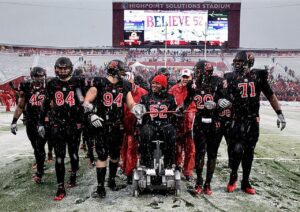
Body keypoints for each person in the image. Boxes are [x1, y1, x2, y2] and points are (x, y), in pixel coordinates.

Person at [224, 51, 286, 195]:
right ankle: (233, 177)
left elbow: (270, 95)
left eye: (239, 62)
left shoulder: (258, 76)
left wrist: (280, 113)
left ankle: (245, 182)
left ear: (248, 63)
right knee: (237, 150)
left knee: (249, 152)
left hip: (252, 120)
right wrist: (223, 101)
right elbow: (223, 95)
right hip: (237, 119)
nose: (236, 64)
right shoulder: (231, 77)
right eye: (236, 62)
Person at [83, 59, 136, 198]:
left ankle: (111, 181)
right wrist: (91, 114)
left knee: (114, 155)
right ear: (113, 70)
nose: (123, 73)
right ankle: (100, 187)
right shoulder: (99, 82)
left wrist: (137, 108)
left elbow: (131, 103)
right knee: (102, 155)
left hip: (117, 126)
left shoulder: (125, 85)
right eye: (120, 70)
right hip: (102, 125)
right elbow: (86, 102)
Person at [38, 57, 83, 201]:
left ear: (70, 68)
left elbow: (84, 100)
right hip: (57, 124)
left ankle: (74, 175)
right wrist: (40, 122)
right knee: (59, 157)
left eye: (65, 68)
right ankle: (60, 187)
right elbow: (45, 103)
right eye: (60, 68)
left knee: (74, 154)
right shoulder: (51, 83)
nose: (62, 71)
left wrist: (83, 119)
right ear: (56, 68)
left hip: (73, 124)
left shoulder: (78, 81)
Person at [182, 60, 228, 195]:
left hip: (215, 122)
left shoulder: (217, 82)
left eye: (198, 70)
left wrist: (217, 104)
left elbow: (227, 100)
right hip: (199, 122)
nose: (196, 73)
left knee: (212, 154)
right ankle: (199, 181)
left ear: (205, 71)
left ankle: (208, 183)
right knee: (200, 154)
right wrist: (181, 108)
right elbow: (188, 100)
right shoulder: (192, 84)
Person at [11, 67, 48, 183]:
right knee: (35, 146)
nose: (39, 78)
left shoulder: (50, 86)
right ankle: (40, 162)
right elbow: (21, 105)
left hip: (44, 121)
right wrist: (14, 121)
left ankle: (39, 172)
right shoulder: (26, 86)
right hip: (31, 121)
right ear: (32, 76)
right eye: (36, 76)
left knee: (39, 146)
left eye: (41, 76)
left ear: (44, 76)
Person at [138, 74, 177, 172]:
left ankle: (168, 164)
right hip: (151, 124)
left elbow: (174, 115)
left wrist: (178, 114)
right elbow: (141, 115)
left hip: (165, 124)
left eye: (157, 83)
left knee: (171, 132)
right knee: (146, 132)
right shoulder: (145, 97)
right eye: (153, 83)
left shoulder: (170, 98)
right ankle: (148, 164)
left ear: (163, 85)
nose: (154, 85)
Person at [168, 68, 196, 181]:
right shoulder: (173, 89)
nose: (185, 79)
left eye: (187, 77)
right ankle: (178, 166)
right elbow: (169, 103)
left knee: (190, 148)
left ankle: (188, 171)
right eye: (183, 77)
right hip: (177, 121)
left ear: (191, 78)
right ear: (180, 77)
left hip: (191, 121)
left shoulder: (195, 89)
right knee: (177, 146)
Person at [120, 72, 148, 184]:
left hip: (136, 126)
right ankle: (125, 167)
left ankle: (130, 172)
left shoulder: (142, 93)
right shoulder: (120, 92)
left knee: (132, 149)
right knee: (124, 148)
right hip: (123, 125)